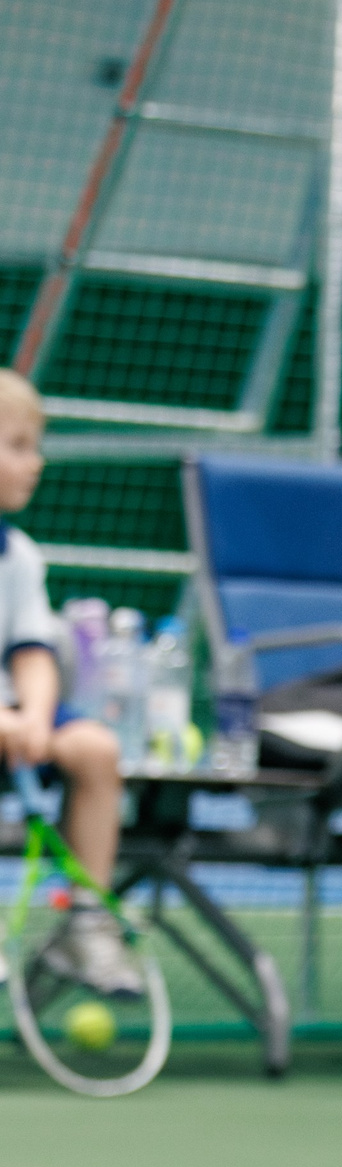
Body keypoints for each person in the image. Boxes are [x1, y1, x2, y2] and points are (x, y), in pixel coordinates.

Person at [0, 372, 135, 996]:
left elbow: (33, 651)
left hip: (18, 723)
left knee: (95, 749)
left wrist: (32, 716)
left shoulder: (20, 556)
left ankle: (86, 921)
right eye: (18, 445)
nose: (37, 462)